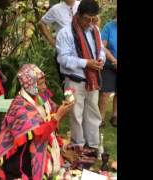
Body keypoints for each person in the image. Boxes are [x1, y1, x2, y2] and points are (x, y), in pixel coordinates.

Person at [0, 64, 74, 180]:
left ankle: (50, 165)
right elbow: (39, 134)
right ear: (30, 85)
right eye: (40, 84)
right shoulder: (20, 107)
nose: (45, 87)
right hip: (22, 154)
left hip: (39, 141)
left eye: (44, 82)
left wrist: (64, 108)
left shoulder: (42, 95)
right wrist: (57, 117)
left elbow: (53, 110)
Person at [56, 0, 106, 155]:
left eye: (93, 19)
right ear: (78, 14)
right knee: (76, 115)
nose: (90, 23)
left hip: (93, 80)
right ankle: (78, 146)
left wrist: (100, 60)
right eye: (87, 19)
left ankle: (92, 146)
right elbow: (63, 59)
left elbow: (101, 50)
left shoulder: (95, 30)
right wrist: (86, 63)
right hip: (74, 81)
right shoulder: (65, 33)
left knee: (93, 113)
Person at [38, 0, 80, 83]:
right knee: (67, 85)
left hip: (82, 52)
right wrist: (54, 43)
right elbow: (41, 23)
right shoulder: (56, 9)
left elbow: (95, 18)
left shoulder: (82, 5)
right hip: (64, 52)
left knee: (82, 83)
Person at [99, 12, 117, 127]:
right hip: (109, 64)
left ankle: (115, 116)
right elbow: (102, 46)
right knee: (105, 92)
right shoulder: (108, 26)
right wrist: (114, 60)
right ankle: (100, 118)